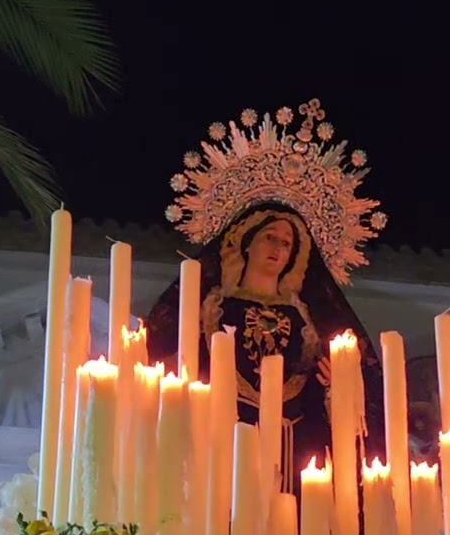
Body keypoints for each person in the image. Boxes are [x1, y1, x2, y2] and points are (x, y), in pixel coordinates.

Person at [144, 99, 387, 494]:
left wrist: (339, 386)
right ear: (246, 241)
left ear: (298, 255)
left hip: (296, 449)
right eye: (269, 237)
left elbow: (351, 391)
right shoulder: (208, 307)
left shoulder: (311, 318)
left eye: (287, 243)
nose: (277, 248)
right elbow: (162, 362)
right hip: (219, 440)